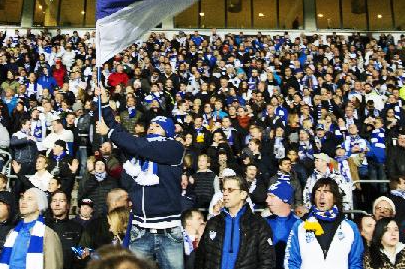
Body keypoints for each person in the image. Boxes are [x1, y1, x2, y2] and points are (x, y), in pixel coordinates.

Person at [96, 87, 185, 269]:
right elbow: (121, 133)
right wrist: (105, 104)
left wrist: (111, 134)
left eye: (158, 125)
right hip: (140, 228)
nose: (152, 127)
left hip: (168, 230)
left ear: (168, 131)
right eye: (151, 125)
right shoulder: (140, 149)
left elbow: (133, 143)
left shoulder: (174, 148)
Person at [194, 174, 274, 269]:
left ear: (243, 194)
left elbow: (267, 261)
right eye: (224, 189)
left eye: (230, 190)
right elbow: (200, 259)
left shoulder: (258, 224)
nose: (225, 193)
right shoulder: (213, 223)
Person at [284, 177, 363, 269]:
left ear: (335, 198)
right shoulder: (300, 225)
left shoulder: (350, 227)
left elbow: (356, 262)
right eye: (318, 191)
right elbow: (291, 261)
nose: (322, 196)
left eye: (326, 191)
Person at [0, 186, 62, 269]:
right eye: (22, 198)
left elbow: (53, 265)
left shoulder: (48, 235)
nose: (23, 201)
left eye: (30, 199)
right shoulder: (13, 232)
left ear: (39, 205)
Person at [266, 179, 299, 269]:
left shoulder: (299, 225)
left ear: (284, 199)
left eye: (271, 196)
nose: (267, 200)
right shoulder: (263, 223)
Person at [45, 190, 83, 269]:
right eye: (54, 201)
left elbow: (81, 255)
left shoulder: (77, 228)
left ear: (68, 205)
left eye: (61, 201)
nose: (57, 204)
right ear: (50, 204)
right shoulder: (43, 226)